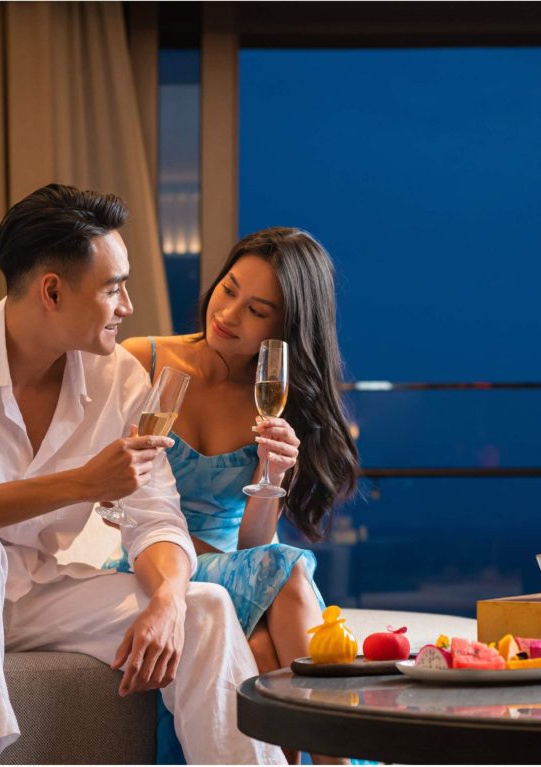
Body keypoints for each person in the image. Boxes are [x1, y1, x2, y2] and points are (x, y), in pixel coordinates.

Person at [0, 183, 286, 766]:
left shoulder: (118, 379)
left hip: (29, 590)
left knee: (205, 606)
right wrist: (81, 485)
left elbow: (156, 517)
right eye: (114, 288)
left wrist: (169, 599)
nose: (127, 306)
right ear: (52, 290)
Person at [104, 227, 360, 764]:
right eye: (229, 289)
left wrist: (272, 478)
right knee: (289, 571)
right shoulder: (142, 360)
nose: (229, 314)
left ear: (285, 327)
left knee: (265, 643)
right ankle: (338, 757)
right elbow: (114, 488)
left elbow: (252, 544)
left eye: (257, 309)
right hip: (154, 563)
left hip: (236, 567)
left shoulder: (273, 396)